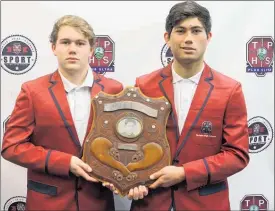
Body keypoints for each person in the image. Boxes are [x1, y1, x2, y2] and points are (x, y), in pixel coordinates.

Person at [127, 1, 250, 210]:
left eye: (196, 31)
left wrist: (185, 172)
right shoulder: (143, 85)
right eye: (180, 31)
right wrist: (131, 179)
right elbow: (131, 144)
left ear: (208, 37)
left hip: (205, 203)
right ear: (167, 37)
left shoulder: (230, 90)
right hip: (152, 201)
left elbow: (237, 154)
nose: (188, 39)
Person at [1, 15, 123, 211]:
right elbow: (11, 147)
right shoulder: (32, 91)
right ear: (53, 48)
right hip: (48, 203)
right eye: (65, 42)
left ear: (91, 50)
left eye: (80, 43)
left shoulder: (114, 90)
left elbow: (124, 144)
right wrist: (64, 162)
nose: (72, 49)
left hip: (97, 202)